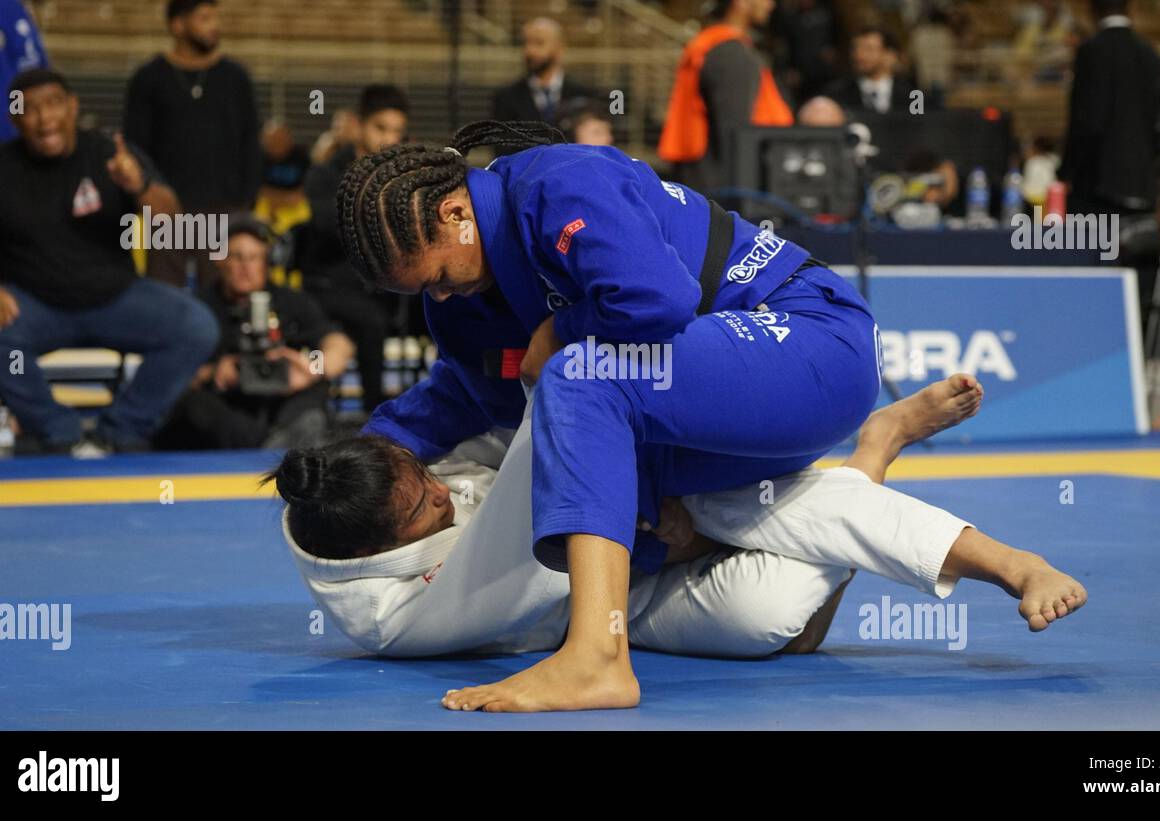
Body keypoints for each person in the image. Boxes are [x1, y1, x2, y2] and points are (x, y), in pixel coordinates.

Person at [334, 119, 904, 710]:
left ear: (455, 213)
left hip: (811, 345)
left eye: (441, 277)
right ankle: (858, 488)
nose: (443, 298)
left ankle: (598, 658)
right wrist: (374, 453)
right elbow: (472, 391)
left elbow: (657, 297)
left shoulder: (559, 184)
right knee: (623, 509)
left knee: (578, 378)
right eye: (426, 292)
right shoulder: (460, 306)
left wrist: (560, 329)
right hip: (720, 426)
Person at [267, 376, 1088, 695]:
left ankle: (1011, 562)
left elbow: (505, 425)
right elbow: (532, 578)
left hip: (636, 520)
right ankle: (872, 456)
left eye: (426, 478)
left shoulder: (380, 479)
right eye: (427, 510)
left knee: (764, 506)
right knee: (774, 625)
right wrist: (667, 542)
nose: (443, 496)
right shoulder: (394, 613)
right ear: (388, 547)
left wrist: (663, 500)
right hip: (606, 582)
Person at [0, 68, 218, 455]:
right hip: (35, 304)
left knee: (197, 326)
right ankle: (59, 433)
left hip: (118, 298)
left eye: (53, 104)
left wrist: (140, 186)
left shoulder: (110, 153)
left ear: (73, 107)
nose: (45, 117)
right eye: (30, 109)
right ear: (14, 118)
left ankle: (121, 430)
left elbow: (170, 218)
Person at [154, 216, 353, 450]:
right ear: (220, 261)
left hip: (281, 398)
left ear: (266, 262)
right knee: (195, 406)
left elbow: (337, 343)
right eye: (237, 257)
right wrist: (213, 373)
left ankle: (283, 440)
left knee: (313, 395)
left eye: (254, 258)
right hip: (225, 404)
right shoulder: (198, 308)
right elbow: (171, 373)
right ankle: (271, 446)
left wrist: (311, 368)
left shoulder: (291, 301)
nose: (245, 267)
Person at [123, 0, 261, 289]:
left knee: (224, 293)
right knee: (164, 294)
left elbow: (250, 143)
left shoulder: (235, 78)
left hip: (224, 210)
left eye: (215, 18)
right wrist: (148, 197)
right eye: (204, 18)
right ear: (178, 25)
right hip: (166, 211)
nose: (214, 26)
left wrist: (246, 203)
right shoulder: (149, 78)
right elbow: (136, 146)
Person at [302, 85, 410, 414]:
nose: (389, 139)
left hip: (389, 287)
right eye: (381, 128)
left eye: (397, 132)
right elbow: (326, 224)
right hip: (331, 286)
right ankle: (373, 409)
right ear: (358, 124)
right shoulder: (325, 172)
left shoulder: (406, 176)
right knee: (370, 319)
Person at [659, 0, 793, 193]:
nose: (771, 5)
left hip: (705, 178)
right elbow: (735, 134)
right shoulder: (731, 54)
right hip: (721, 188)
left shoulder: (710, 46)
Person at [1060, 0, 1160, 217]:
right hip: (1144, 187)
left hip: (1097, 188)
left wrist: (1067, 173)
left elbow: (1086, 122)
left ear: (1092, 10)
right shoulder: (1152, 56)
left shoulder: (1090, 53)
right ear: (1130, 8)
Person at [0, 0, 49, 165]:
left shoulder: (15, 9)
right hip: (5, 156)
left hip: (29, 144)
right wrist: (15, 135)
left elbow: (22, 84)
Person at [491, 19, 594, 138]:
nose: (529, 50)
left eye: (539, 43)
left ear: (560, 48)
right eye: (525, 43)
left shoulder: (583, 96)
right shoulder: (505, 98)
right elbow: (502, 149)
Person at [822, 26, 917, 115]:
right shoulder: (834, 95)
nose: (859, 56)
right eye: (855, 49)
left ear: (890, 55)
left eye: (869, 49)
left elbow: (921, 127)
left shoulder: (915, 96)